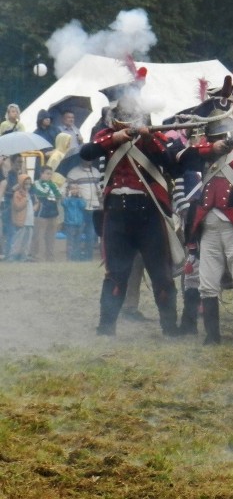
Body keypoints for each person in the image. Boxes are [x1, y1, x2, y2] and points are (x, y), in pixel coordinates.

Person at [79, 74, 181, 337]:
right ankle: (106, 328)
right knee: (116, 273)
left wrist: (146, 138)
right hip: (117, 212)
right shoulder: (105, 135)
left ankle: (170, 329)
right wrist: (117, 138)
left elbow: (169, 161)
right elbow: (87, 152)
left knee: (161, 274)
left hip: (148, 211)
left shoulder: (152, 136)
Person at [180, 80, 233, 347]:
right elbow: (183, 161)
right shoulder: (202, 150)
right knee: (207, 284)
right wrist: (212, 149)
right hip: (207, 225)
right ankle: (212, 337)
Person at [64, 159, 102, 261]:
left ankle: (88, 256)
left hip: (94, 207)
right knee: (78, 233)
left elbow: (101, 187)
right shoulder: (73, 173)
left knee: (91, 233)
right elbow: (67, 190)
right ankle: (75, 256)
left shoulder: (96, 172)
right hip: (80, 208)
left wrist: (100, 195)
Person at [31, 165, 62, 261]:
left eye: (50, 174)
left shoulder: (53, 184)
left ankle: (50, 256)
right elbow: (42, 194)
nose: (49, 176)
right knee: (39, 235)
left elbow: (58, 195)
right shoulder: (36, 184)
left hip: (53, 212)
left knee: (51, 236)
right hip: (42, 213)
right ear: (41, 173)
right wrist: (51, 189)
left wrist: (51, 189)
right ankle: (37, 256)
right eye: (47, 174)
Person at [8, 174, 38, 261]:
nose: (28, 186)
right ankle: (12, 257)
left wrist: (36, 205)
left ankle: (24, 258)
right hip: (21, 221)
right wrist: (25, 199)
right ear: (21, 184)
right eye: (25, 184)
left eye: (29, 184)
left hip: (30, 221)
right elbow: (17, 206)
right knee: (18, 240)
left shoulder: (31, 194)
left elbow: (35, 203)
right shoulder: (17, 194)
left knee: (27, 242)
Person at [62, 184, 87, 260]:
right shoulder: (67, 199)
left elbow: (83, 205)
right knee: (70, 241)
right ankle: (69, 258)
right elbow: (64, 204)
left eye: (76, 188)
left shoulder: (80, 199)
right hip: (69, 223)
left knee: (78, 241)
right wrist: (67, 196)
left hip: (79, 223)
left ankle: (77, 258)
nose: (75, 190)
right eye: (72, 188)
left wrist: (81, 196)